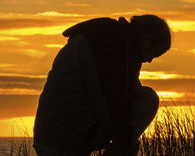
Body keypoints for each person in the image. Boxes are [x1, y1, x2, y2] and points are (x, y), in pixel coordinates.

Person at [33, 14, 171, 156]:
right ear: (147, 40)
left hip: (58, 134)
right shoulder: (107, 46)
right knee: (148, 100)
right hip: (60, 141)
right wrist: (125, 141)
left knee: (144, 99)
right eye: (154, 54)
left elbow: (124, 94)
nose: (149, 60)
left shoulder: (116, 43)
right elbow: (110, 98)